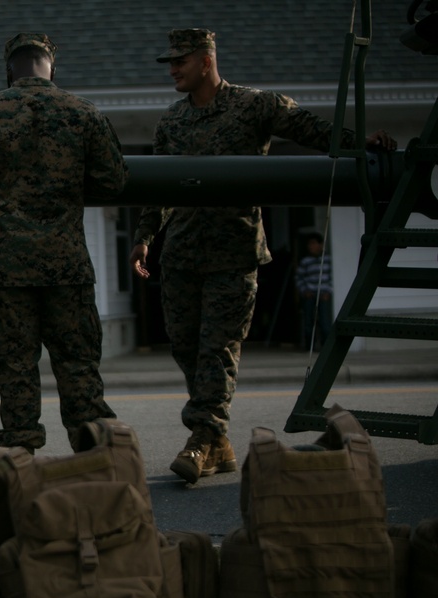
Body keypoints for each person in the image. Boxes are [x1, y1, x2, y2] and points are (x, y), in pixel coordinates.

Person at [129, 28, 397, 484]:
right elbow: (162, 185)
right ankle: (218, 444)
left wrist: (360, 143)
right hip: (181, 256)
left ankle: (201, 439)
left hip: (234, 253)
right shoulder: (171, 121)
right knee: (187, 349)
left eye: (180, 61)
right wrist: (144, 236)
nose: (173, 69)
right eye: (170, 62)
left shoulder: (255, 105)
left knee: (217, 351)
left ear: (206, 61)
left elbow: (311, 128)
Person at [0, 33, 129, 453]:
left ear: (10, 69)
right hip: (66, 266)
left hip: (7, 268)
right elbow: (113, 181)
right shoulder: (85, 115)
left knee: (14, 369)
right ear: (51, 67)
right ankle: (95, 459)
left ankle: (21, 460)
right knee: (79, 365)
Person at [295, 231, 333, 350]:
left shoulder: (327, 259)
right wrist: (304, 291)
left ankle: (325, 346)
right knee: (308, 322)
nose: (311, 246)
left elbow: (333, 276)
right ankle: (308, 346)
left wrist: (328, 291)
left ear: (321, 245)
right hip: (310, 294)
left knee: (325, 322)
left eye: (314, 243)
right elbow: (299, 278)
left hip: (324, 294)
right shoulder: (305, 261)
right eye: (309, 244)